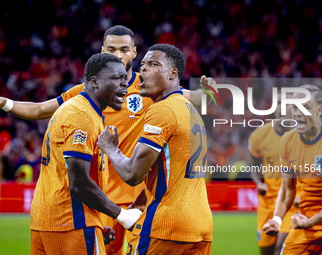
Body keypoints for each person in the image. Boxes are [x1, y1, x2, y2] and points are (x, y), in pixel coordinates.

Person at [0, 25, 216, 255]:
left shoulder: (150, 88)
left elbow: (197, 100)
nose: (118, 55)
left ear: (134, 52)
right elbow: (39, 110)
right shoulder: (87, 92)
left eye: (124, 49)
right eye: (112, 49)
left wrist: (211, 93)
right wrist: (4, 102)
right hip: (101, 197)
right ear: (103, 51)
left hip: (139, 198)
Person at [97, 44, 213, 254]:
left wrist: (110, 148)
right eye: (143, 64)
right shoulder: (190, 109)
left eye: (153, 64)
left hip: (166, 227)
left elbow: (133, 174)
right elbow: (174, 171)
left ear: (172, 73)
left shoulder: (161, 109)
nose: (144, 69)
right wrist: (141, 200)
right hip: (201, 225)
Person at [30, 53, 142, 254]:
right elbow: (78, 183)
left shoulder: (79, 110)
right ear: (95, 82)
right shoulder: (82, 116)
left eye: (125, 79)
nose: (124, 84)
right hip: (71, 223)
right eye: (117, 79)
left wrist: (96, 222)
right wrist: (122, 216)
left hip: (49, 221)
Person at [263, 85, 322, 255]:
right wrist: (276, 219)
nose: (297, 113)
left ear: (320, 110)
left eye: (305, 107)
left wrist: (312, 221)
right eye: (294, 107)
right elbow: (287, 189)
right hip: (306, 220)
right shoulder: (287, 141)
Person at [249, 92, 301, 255]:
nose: (283, 108)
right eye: (279, 103)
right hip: (267, 202)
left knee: (281, 248)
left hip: (292, 202)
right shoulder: (259, 135)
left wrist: (302, 193)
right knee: (267, 251)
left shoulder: (304, 137)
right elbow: (253, 165)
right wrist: (259, 183)